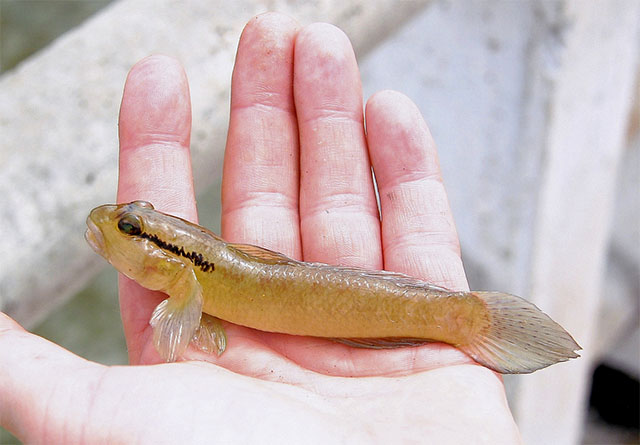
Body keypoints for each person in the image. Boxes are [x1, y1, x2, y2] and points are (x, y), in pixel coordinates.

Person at [0, 13, 522, 443]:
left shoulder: (184, 283)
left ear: (169, 258)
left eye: (129, 224)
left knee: (425, 309)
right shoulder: (187, 280)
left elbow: (185, 318)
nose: (112, 225)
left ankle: (463, 320)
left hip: (316, 294)